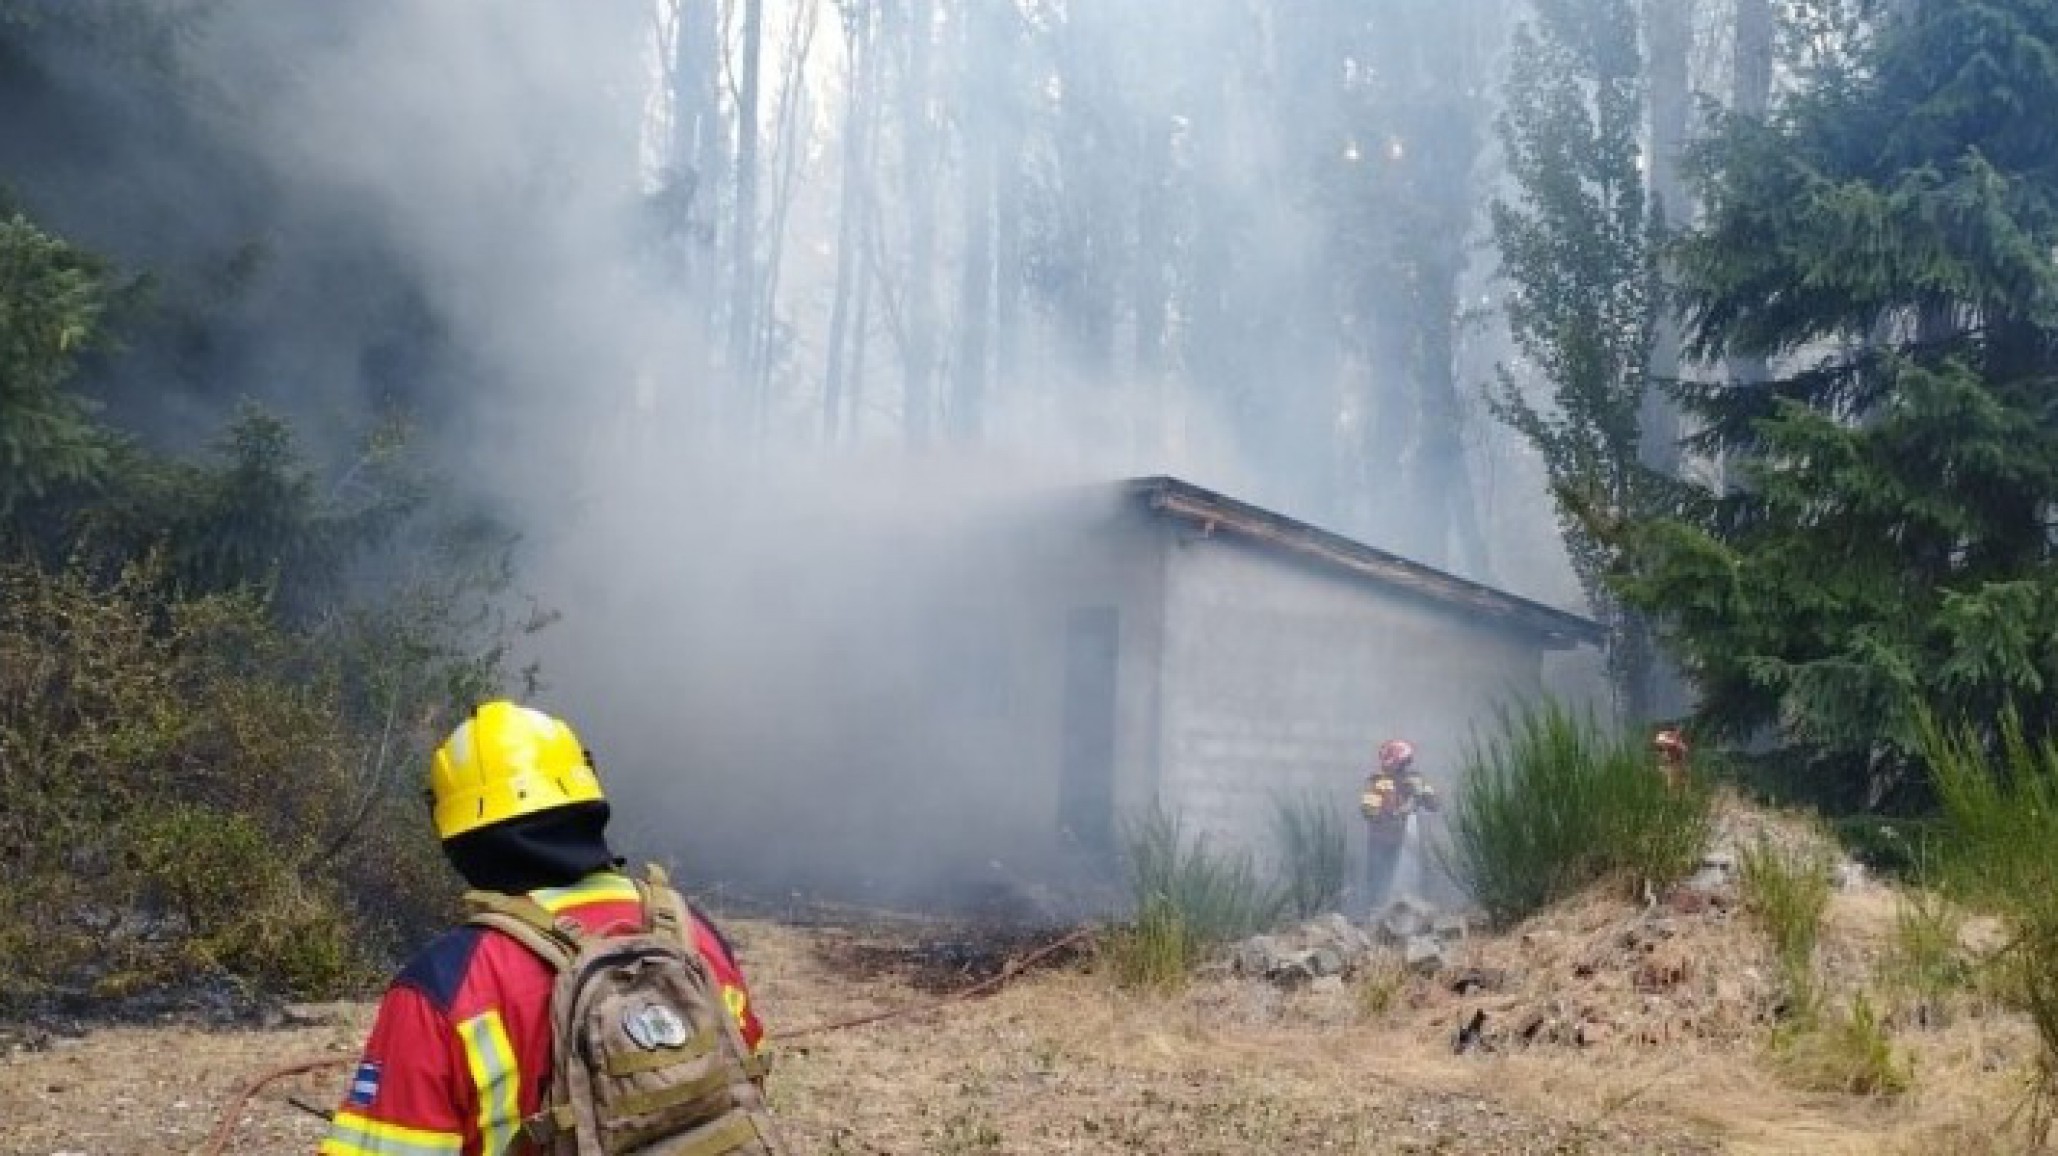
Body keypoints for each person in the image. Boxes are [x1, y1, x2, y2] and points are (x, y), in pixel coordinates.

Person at [320, 701, 769, 1156]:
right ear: (588, 799)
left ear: (457, 834)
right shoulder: (694, 934)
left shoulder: (446, 984)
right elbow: (748, 1084)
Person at [1360, 738, 1440, 906]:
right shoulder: (1378, 783)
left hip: (1410, 843)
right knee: (1379, 881)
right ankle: (1375, 915)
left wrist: (1422, 793)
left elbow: (1434, 805)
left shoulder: (1416, 780)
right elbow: (1368, 811)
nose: (1404, 769)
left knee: (1415, 880)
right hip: (1382, 842)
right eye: (1401, 764)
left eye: (1405, 764)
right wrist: (1394, 812)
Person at [1653, 727, 1690, 793]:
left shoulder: (1681, 768)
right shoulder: (1660, 769)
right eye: (1660, 749)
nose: (1666, 753)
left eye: (1671, 749)